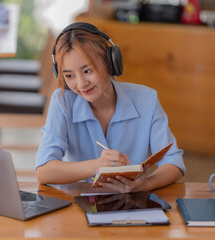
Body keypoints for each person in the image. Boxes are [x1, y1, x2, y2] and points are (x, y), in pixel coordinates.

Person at [35, 22, 185, 193]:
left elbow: (174, 161)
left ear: (110, 62)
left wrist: (145, 185)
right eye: (69, 75)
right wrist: (97, 165)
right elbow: (44, 171)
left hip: (132, 205)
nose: (81, 84)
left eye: (87, 71)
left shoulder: (147, 100)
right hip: (79, 203)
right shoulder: (62, 102)